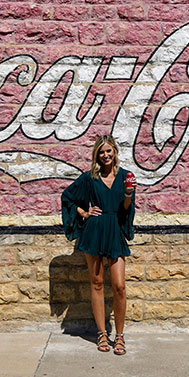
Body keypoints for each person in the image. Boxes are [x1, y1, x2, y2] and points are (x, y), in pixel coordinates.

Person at [61, 135, 136, 355]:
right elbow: (68, 197)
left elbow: (125, 210)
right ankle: (102, 334)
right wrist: (84, 212)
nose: (105, 156)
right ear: (97, 155)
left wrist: (129, 195)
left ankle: (120, 336)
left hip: (114, 229)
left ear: (115, 152)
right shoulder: (90, 177)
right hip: (94, 231)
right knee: (97, 283)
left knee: (119, 286)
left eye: (109, 151)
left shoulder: (125, 177)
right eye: (101, 152)